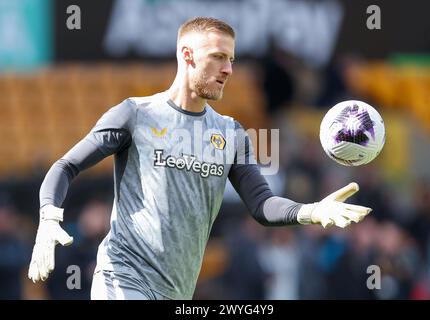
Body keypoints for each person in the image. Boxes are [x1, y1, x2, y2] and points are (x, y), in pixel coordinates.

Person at [28, 17, 372, 300]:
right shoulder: (136, 114)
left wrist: (311, 211)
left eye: (232, 59)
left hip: (177, 292)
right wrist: (48, 218)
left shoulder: (231, 132)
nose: (228, 69)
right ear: (187, 55)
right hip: (123, 278)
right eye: (218, 57)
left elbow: (262, 205)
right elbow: (65, 166)